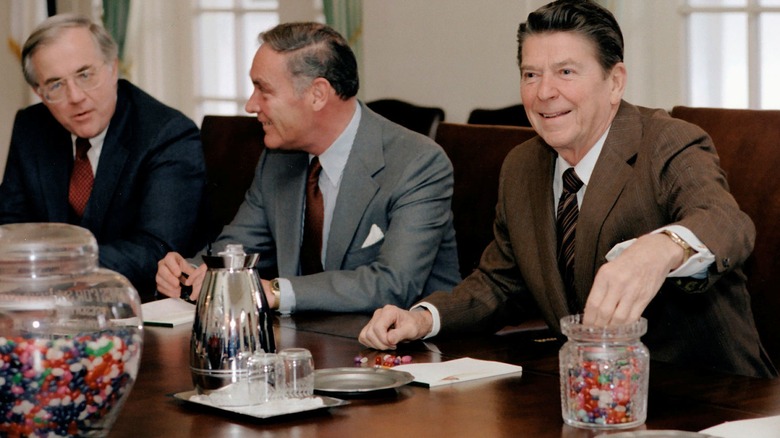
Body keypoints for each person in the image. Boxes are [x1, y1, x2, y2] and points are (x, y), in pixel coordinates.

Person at [359, 0, 776, 378]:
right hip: (591, 392)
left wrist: (661, 249)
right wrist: (423, 318)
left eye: (566, 72)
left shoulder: (666, 141)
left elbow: (726, 221)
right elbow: (500, 284)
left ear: (615, 82)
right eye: (531, 74)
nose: (544, 92)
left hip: (708, 392)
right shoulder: (522, 165)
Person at [156, 22, 460, 314]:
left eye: (264, 90)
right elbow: (238, 247)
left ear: (317, 94)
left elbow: (392, 284)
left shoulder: (417, 163)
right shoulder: (277, 159)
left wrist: (274, 292)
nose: (251, 105)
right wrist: (191, 271)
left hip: (406, 344)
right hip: (306, 339)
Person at [0, 14, 206, 301]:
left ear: (112, 68)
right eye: (56, 84)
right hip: (42, 304)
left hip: (133, 306)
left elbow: (155, 249)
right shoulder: (31, 126)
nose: (75, 96)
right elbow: (10, 228)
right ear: (39, 92)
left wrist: (56, 266)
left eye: (85, 75)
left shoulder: (167, 134)